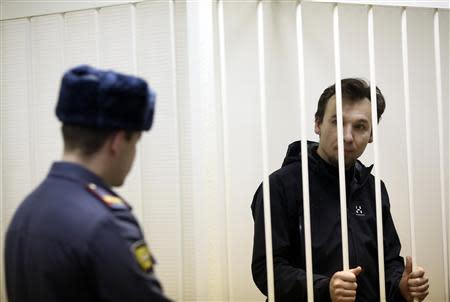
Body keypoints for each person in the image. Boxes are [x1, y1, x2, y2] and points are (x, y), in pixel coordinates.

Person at [251, 78, 429, 301]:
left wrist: (400, 286)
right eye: (337, 122)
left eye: (360, 126)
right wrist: (324, 289)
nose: (347, 136)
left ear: (371, 135)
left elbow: (389, 261)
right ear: (317, 124)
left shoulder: (374, 189)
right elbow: (266, 269)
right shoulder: (280, 187)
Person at [4, 65, 171, 302]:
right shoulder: (105, 223)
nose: (133, 154)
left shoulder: (27, 210)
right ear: (117, 141)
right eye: (135, 143)